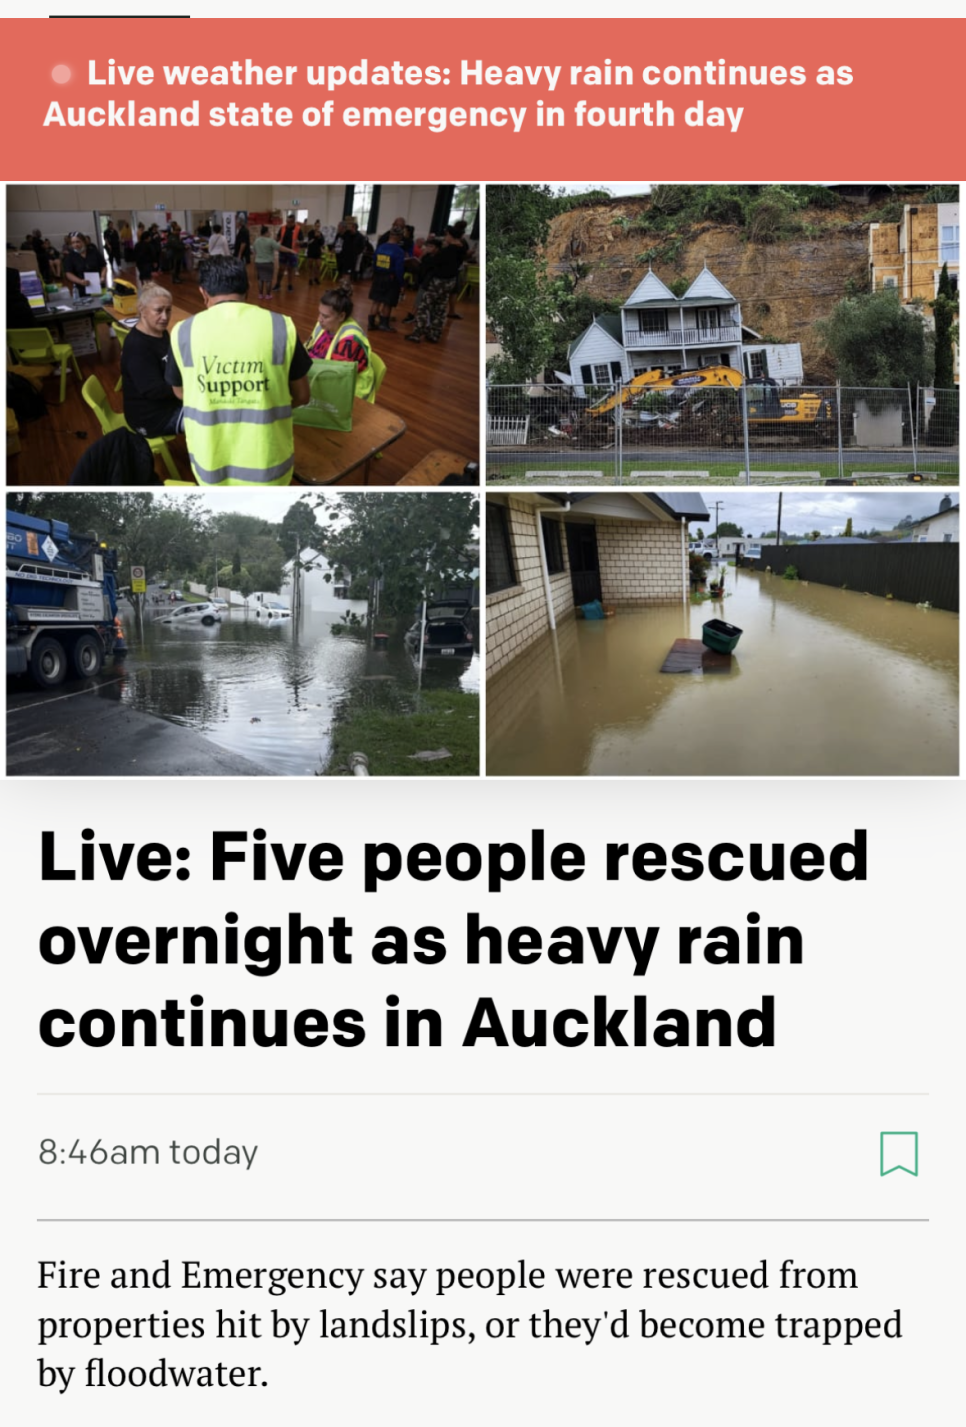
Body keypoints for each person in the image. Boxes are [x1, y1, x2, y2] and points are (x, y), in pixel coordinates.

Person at [165, 254, 312, 486]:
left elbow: (180, 392)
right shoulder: (281, 327)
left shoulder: (182, 332)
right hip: (270, 469)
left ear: (203, 292)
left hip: (211, 464)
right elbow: (303, 396)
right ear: (249, 288)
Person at [121, 282, 184, 437]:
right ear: (142, 310)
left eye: (168, 310)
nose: (165, 317)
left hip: (165, 404)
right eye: (158, 311)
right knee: (210, 418)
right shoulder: (137, 345)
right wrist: (183, 391)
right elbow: (152, 390)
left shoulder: (161, 332)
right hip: (150, 418)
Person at [304, 287, 377, 401]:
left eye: (325, 316)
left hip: (350, 398)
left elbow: (334, 380)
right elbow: (308, 348)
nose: (319, 319)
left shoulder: (350, 340)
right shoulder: (325, 325)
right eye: (319, 313)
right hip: (321, 383)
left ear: (341, 316)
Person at [368, 228, 405, 333]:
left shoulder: (380, 247)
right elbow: (399, 269)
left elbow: (374, 263)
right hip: (391, 278)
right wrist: (401, 283)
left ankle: (371, 324)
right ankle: (384, 324)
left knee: (376, 301)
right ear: (398, 237)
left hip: (378, 276)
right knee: (387, 302)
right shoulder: (398, 251)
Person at [252, 224, 298, 299]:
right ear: (266, 232)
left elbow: (254, 251)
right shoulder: (270, 241)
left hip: (258, 263)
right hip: (268, 263)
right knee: (268, 280)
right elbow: (280, 248)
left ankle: (260, 294)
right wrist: (290, 250)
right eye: (269, 232)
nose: (270, 233)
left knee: (260, 279)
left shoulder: (256, 241)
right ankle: (268, 295)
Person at [274, 213, 302, 292]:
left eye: (290, 222)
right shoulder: (282, 228)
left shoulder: (298, 229)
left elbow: (301, 240)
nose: (288, 224)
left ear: (293, 222)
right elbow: (278, 238)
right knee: (281, 269)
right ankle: (278, 284)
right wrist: (273, 242)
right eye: (287, 221)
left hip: (293, 252)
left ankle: (290, 285)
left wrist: (299, 242)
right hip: (283, 251)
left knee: (291, 270)